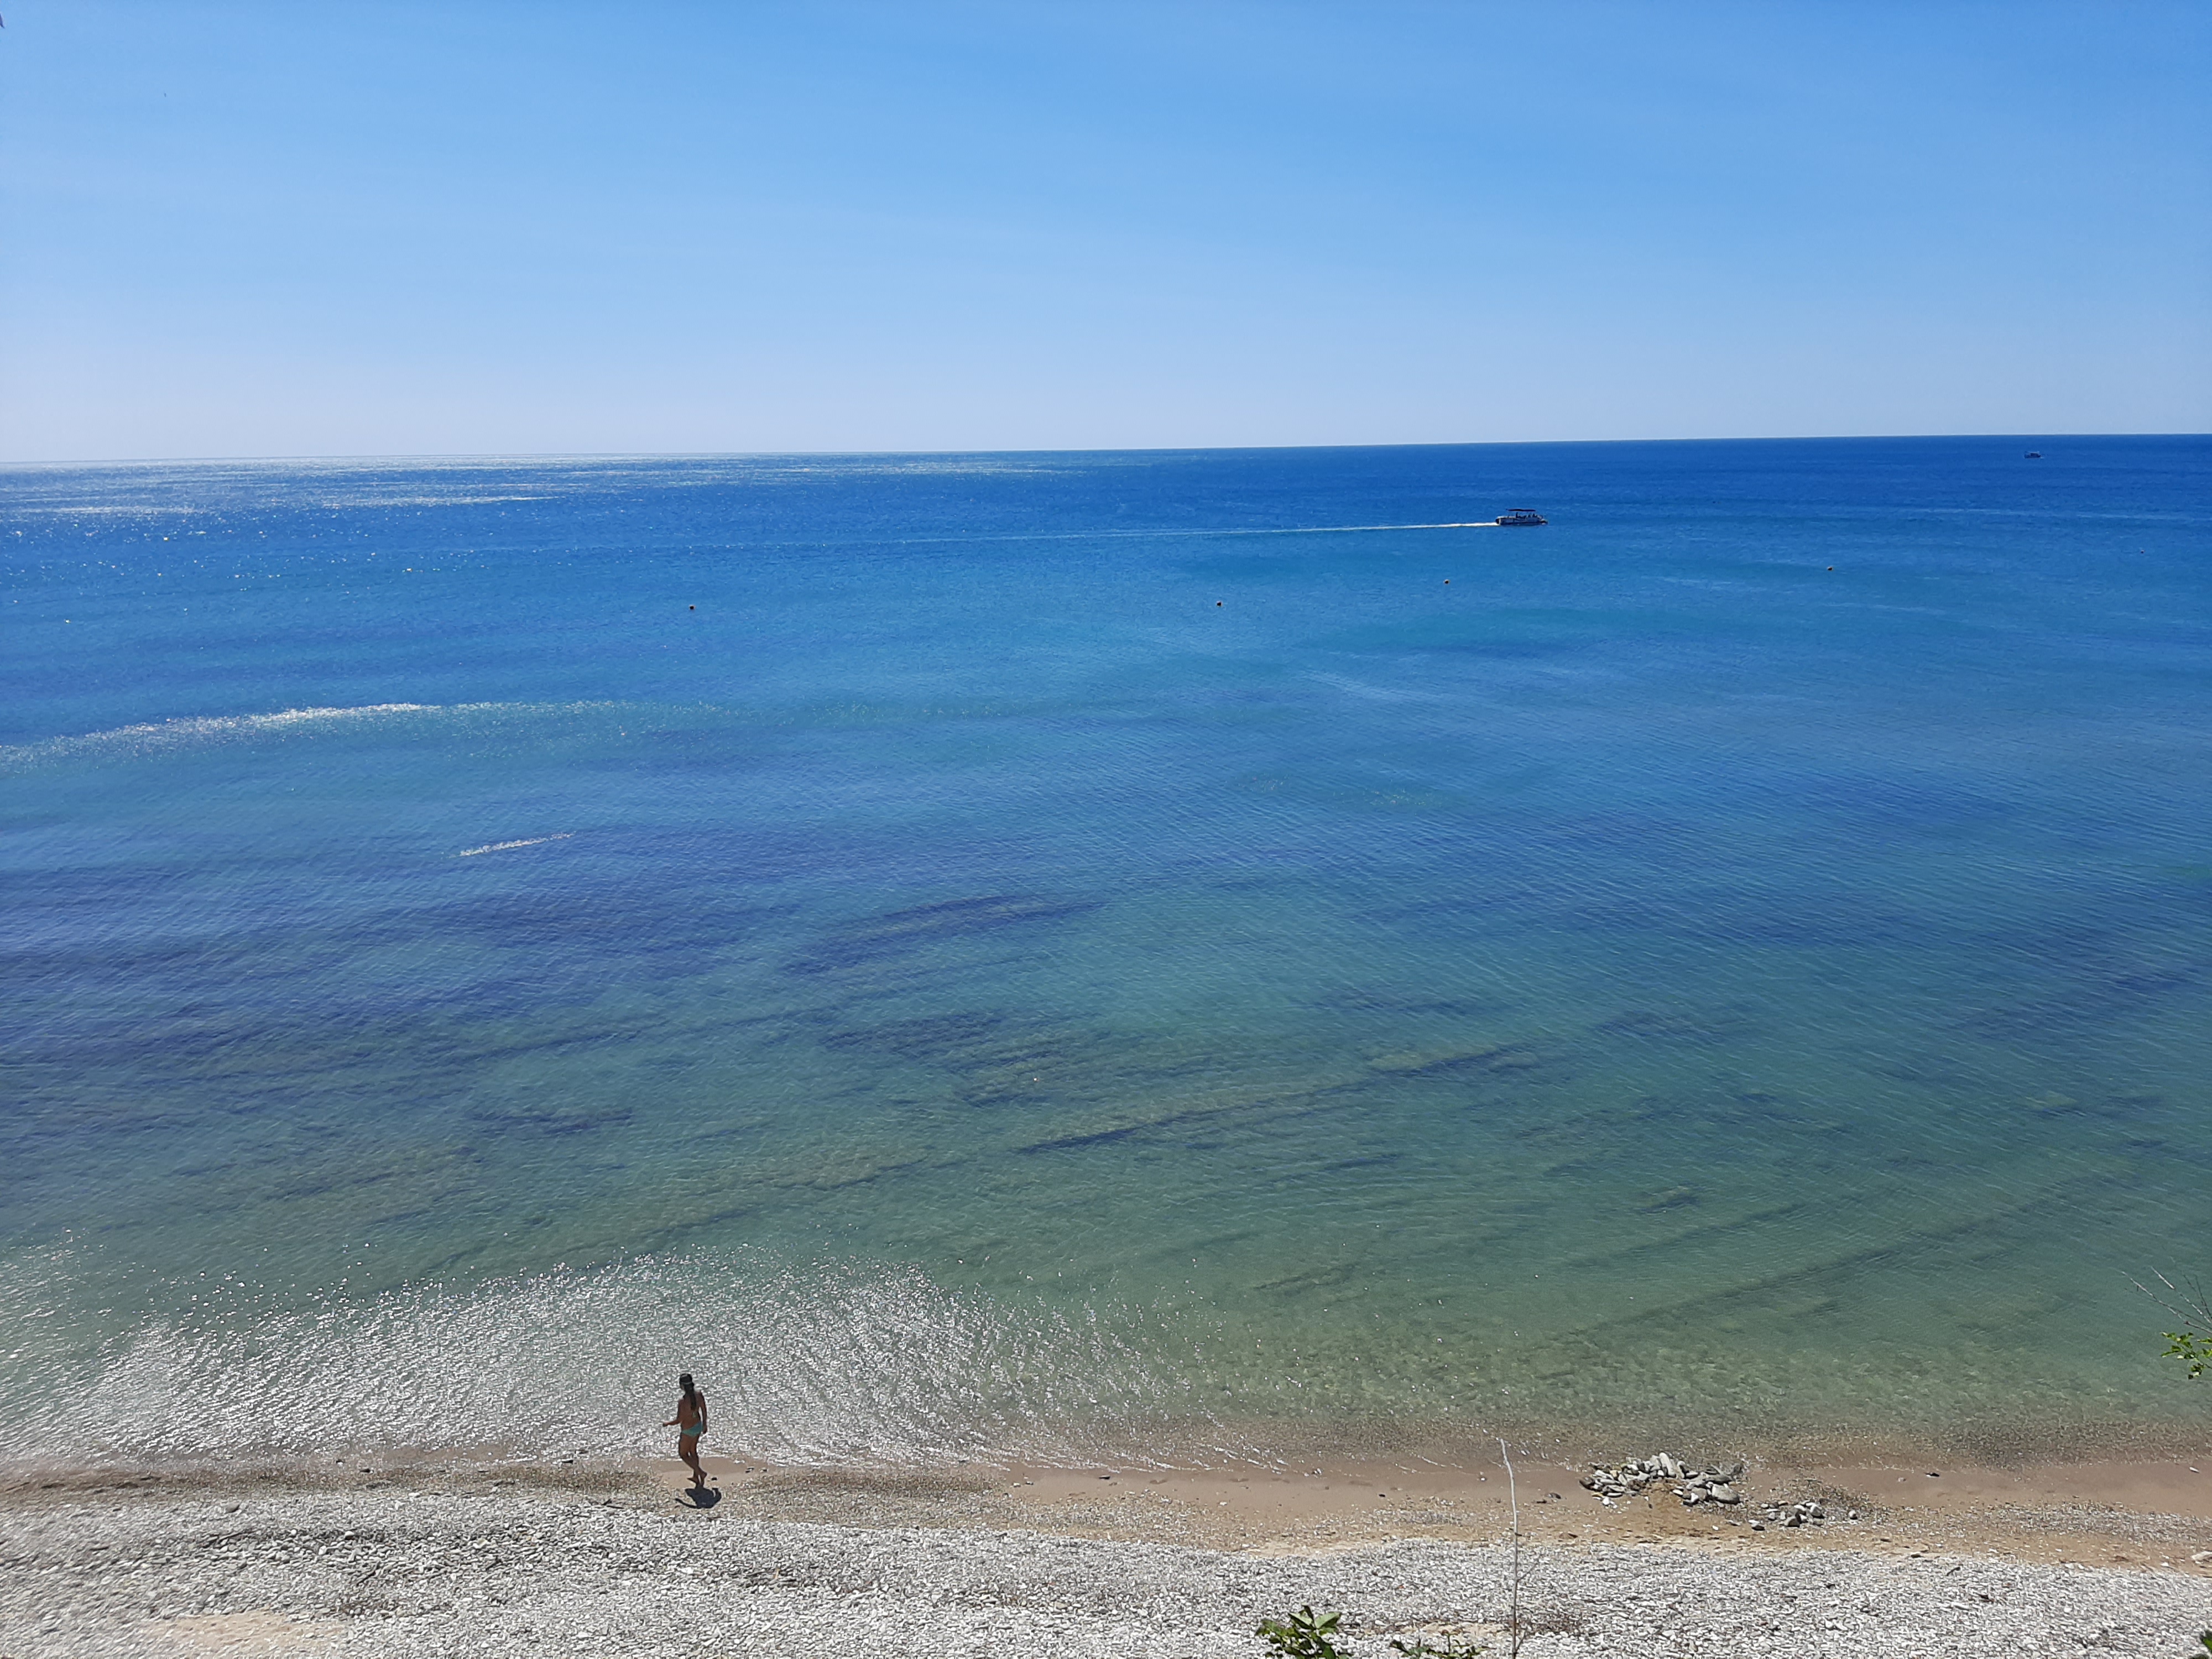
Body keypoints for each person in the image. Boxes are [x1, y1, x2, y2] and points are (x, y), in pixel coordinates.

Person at [663, 1373, 710, 1488]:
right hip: (698, 1426)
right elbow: (704, 1410)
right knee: (693, 1451)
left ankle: (700, 1472)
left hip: (688, 1430)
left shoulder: (683, 1402)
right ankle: (696, 1476)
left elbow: (679, 1420)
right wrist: (705, 1424)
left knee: (683, 1454)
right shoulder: (699, 1395)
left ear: (682, 1386)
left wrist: (667, 1423)